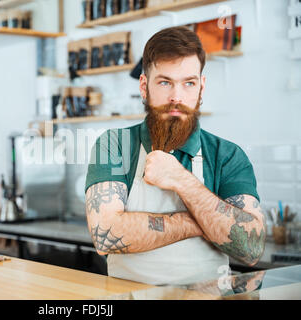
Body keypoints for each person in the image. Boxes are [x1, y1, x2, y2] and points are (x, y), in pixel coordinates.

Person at [84, 26, 266, 286]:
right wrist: (202, 222)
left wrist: (181, 179)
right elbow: (105, 235)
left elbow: (251, 248)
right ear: (145, 86)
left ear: (201, 87)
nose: (176, 97)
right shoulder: (115, 145)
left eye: (189, 83)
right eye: (165, 82)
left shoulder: (227, 155)